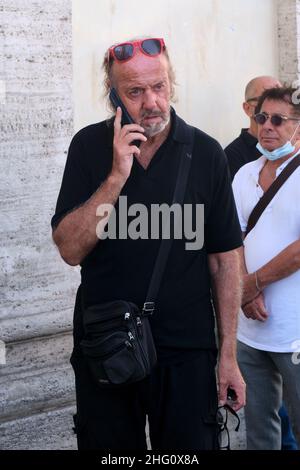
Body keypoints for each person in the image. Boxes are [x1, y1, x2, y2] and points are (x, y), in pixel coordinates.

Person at [51, 37, 245, 450]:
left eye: (159, 86)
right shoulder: (89, 147)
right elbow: (69, 249)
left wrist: (228, 354)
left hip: (186, 351)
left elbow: (225, 261)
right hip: (106, 344)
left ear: (171, 83)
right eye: (135, 92)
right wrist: (117, 175)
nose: (151, 101)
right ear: (113, 95)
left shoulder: (207, 153)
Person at [225, 77, 298, 450]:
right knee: (259, 431)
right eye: (262, 117)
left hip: (294, 331)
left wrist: (250, 285)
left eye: (279, 120)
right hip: (250, 330)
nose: (267, 126)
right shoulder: (243, 174)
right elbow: (231, 239)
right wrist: (245, 292)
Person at [225, 76, 281, 180]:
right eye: (265, 100)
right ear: (248, 108)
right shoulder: (233, 155)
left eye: (280, 100)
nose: (275, 107)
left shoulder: (290, 146)